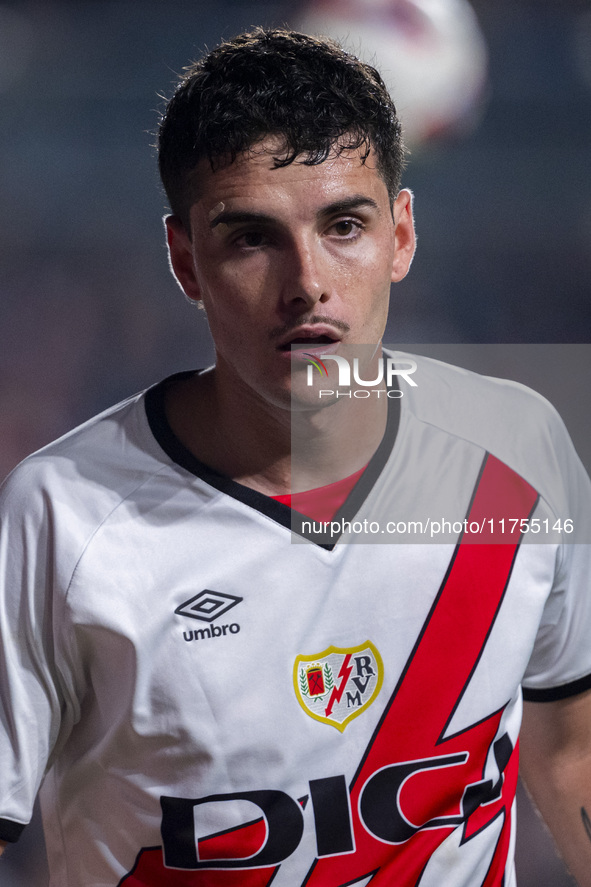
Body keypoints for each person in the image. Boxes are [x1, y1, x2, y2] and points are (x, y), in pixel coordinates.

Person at [1, 27, 590, 887]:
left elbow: (571, 753)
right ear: (183, 260)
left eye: (343, 224)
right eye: (250, 238)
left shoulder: (517, 446)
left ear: (401, 235)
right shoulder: (63, 516)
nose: (306, 281)